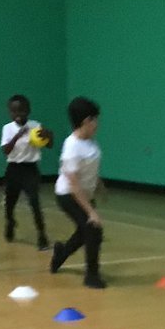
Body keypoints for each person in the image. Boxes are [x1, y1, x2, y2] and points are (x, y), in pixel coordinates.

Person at [49, 97, 106, 289]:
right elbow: (73, 184)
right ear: (85, 121)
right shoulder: (71, 146)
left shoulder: (91, 143)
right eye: (94, 120)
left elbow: (91, 169)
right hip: (68, 195)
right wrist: (91, 212)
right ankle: (92, 275)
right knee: (93, 229)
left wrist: (100, 185)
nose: (97, 124)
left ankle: (61, 253)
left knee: (84, 232)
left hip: (84, 194)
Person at [0, 94, 52, 251]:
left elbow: (49, 145)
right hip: (14, 169)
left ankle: (42, 235)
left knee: (35, 202)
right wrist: (18, 135)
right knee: (10, 203)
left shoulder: (35, 126)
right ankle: (10, 222)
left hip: (30, 169)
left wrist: (48, 135)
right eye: (14, 111)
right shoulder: (7, 128)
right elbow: (6, 150)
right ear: (10, 112)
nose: (18, 114)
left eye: (21, 111)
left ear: (28, 111)